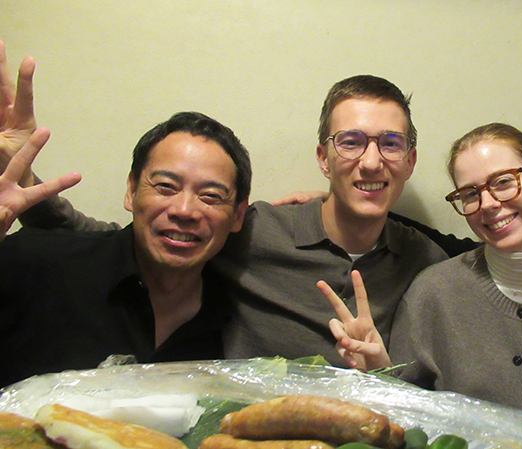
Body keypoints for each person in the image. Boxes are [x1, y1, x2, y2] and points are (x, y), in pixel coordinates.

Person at [1, 44, 448, 366]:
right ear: (322, 158)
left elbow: (486, 251)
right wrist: (24, 184)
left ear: (410, 161)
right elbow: (128, 242)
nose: (370, 161)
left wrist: (384, 378)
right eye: (350, 141)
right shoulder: (253, 230)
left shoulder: (427, 261)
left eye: (391, 143)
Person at [320, 123, 522, 420]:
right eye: (470, 194)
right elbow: (404, 418)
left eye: (504, 182)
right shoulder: (433, 294)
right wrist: (379, 374)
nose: (488, 204)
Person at [0, 110, 251, 388]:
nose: (184, 210)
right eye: (166, 186)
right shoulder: (35, 264)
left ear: (238, 215)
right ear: (131, 191)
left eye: (210, 196)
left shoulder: (235, 315)